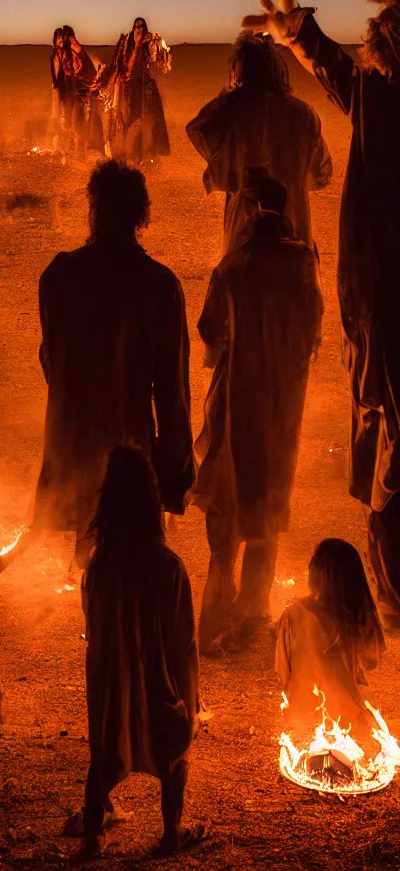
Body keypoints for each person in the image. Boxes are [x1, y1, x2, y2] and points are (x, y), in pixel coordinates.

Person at [244, 0, 400, 625]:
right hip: (373, 300)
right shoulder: (380, 84)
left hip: (388, 301)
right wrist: (299, 31)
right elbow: (350, 77)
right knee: (379, 429)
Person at [32, 161, 193, 566]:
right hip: (129, 447)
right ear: (141, 216)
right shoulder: (159, 285)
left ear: (94, 210)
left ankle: (99, 620)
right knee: (133, 555)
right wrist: (174, 472)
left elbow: (52, 362)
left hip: (73, 441)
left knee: (92, 554)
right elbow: (171, 390)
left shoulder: (60, 276)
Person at [193, 171, 323, 653]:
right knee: (268, 504)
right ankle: (252, 611)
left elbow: (210, 331)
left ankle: (215, 616)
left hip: (237, 402)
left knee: (228, 502)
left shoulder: (232, 268)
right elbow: (313, 328)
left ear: (249, 214)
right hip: (283, 404)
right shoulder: (303, 264)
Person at [77, 447, 204, 860]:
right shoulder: (168, 568)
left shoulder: (98, 566)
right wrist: (191, 701)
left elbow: (92, 626)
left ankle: (92, 836)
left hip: (111, 679)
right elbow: (183, 643)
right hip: (156, 677)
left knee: (106, 751)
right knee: (174, 748)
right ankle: (173, 831)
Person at [186, 31, 332, 253]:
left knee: (246, 276)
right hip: (293, 216)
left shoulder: (232, 109)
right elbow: (321, 171)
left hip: (247, 219)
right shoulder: (302, 112)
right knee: (293, 275)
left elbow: (199, 130)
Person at [277, 539, 385, 738]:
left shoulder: (293, 615)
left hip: (302, 722)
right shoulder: (356, 616)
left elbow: (283, 672)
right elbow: (372, 660)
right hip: (350, 724)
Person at [101, 17, 172, 162]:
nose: (138, 28)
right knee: (127, 121)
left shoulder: (149, 43)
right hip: (127, 88)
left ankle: (146, 154)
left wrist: (162, 52)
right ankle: (128, 152)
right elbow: (120, 67)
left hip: (145, 87)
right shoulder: (126, 44)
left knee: (147, 122)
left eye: (141, 26)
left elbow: (160, 62)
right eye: (136, 26)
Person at [50, 25, 105, 159]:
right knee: (69, 119)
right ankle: (71, 146)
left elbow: (87, 69)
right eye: (60, 39)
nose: (63, 41)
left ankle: (88, 148)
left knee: (84, 120)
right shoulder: (57, 56)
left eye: (65, 38)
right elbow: (59, 76)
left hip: (82, 90)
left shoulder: (77, 51)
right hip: (69, 91)